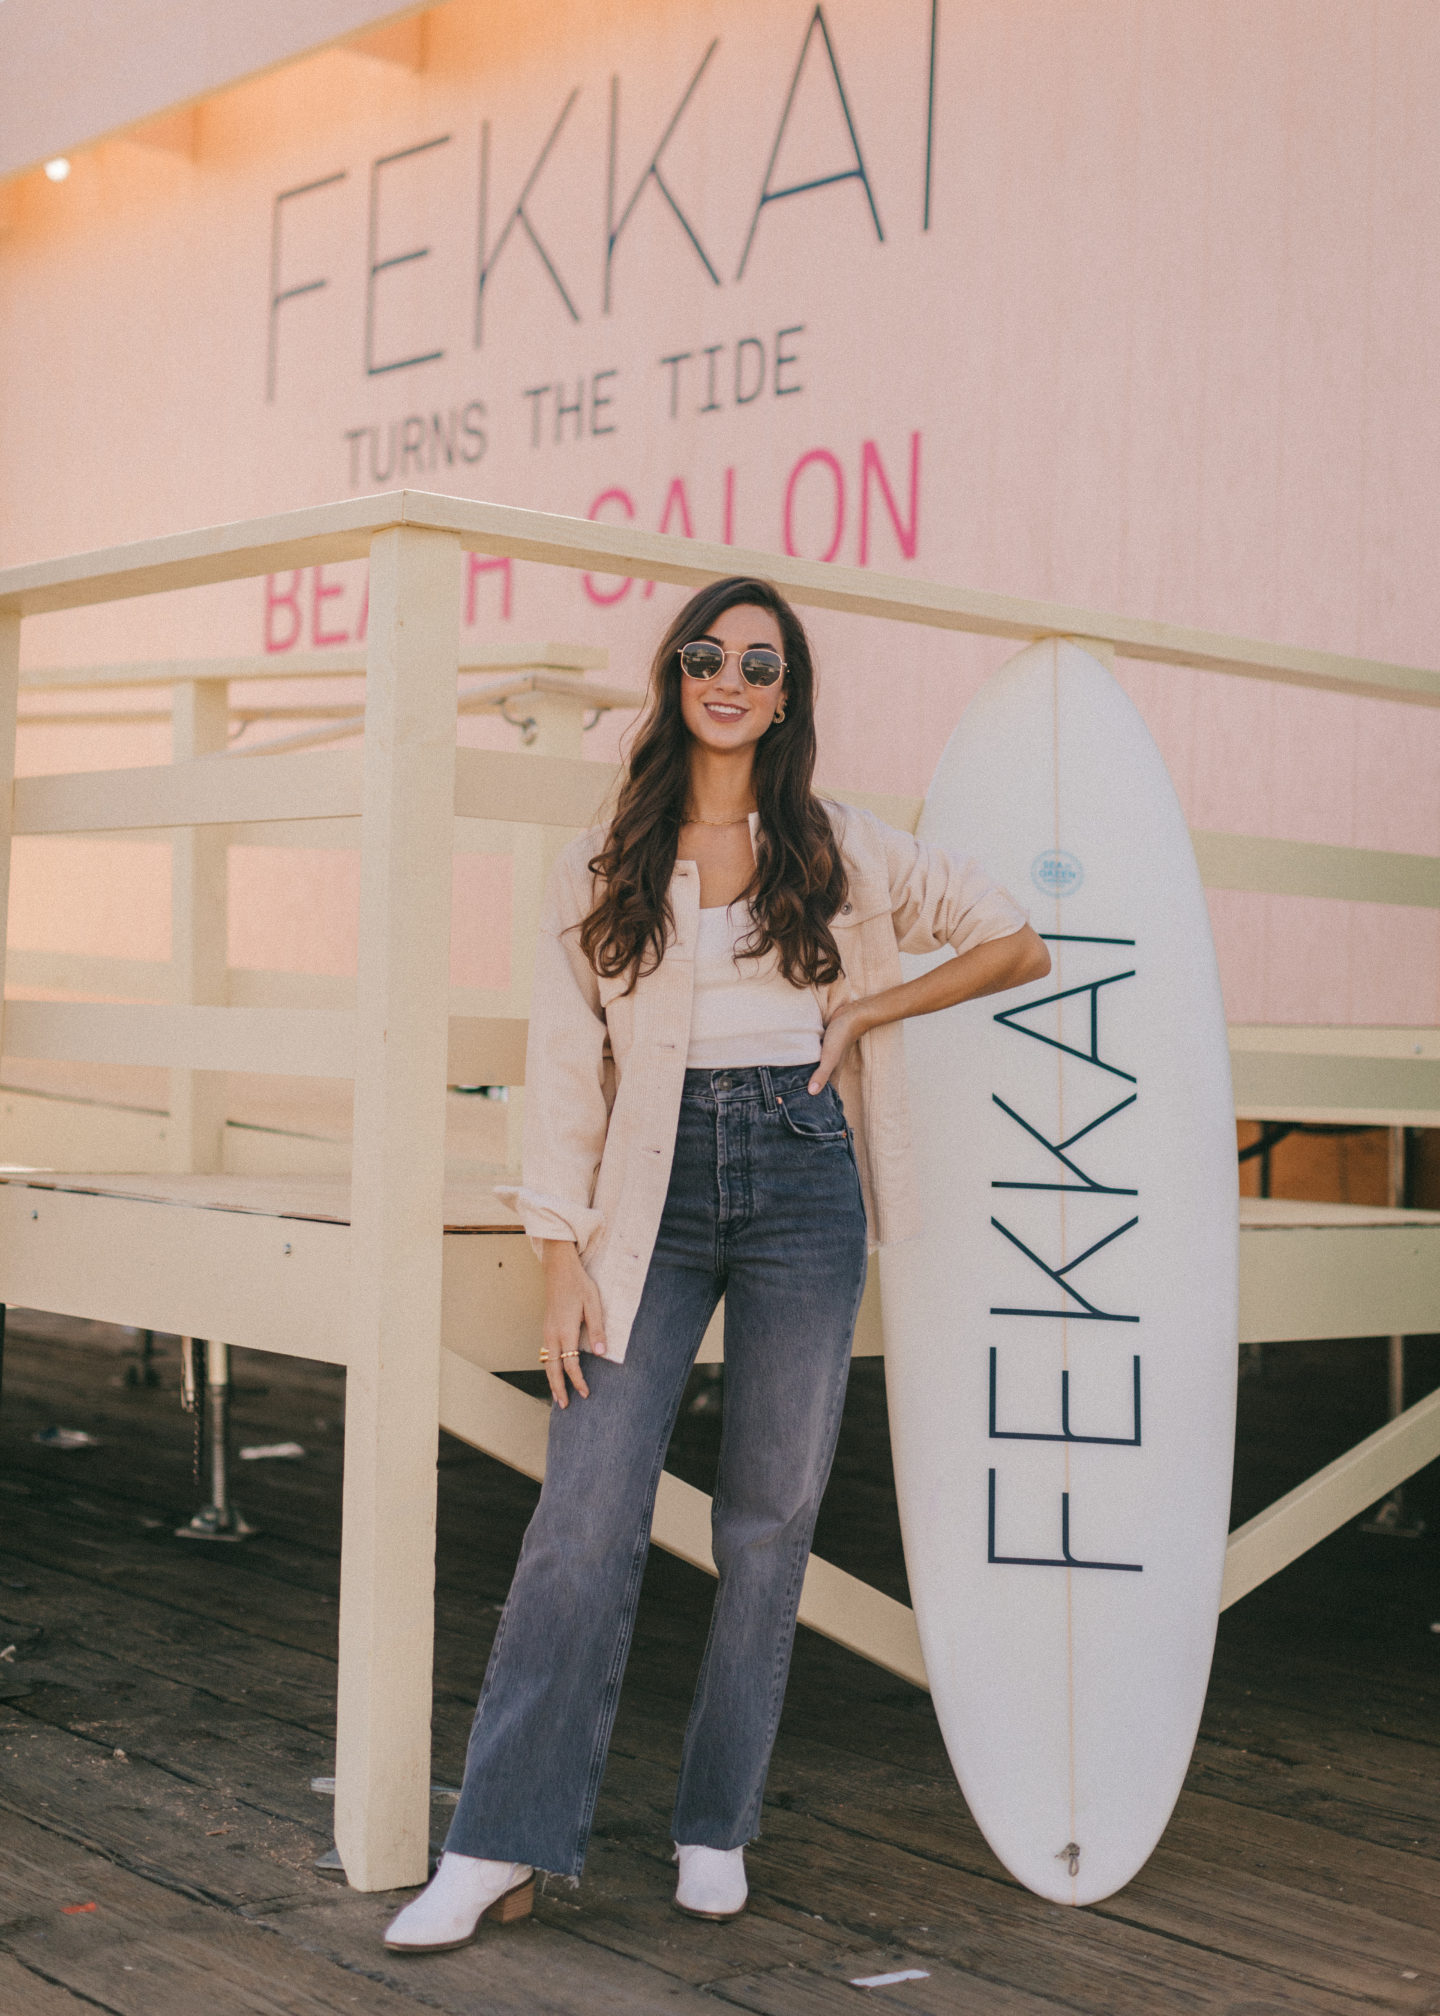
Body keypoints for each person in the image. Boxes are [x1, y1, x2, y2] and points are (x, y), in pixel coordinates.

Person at [384, 577, 1049, 1952]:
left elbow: (1015, 940)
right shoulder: (600, 862)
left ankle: (714, 1822)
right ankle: (497, 1845)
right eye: (706, 654)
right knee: (584, 1511)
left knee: (770, 1518)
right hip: (649, 1192)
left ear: (788, 692)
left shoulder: (844, 849)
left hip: (806, 1170)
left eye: (759, 660)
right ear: (675, 675)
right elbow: (567, 1073)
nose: (729, 676)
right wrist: (558, 1251)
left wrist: (869, 1006)